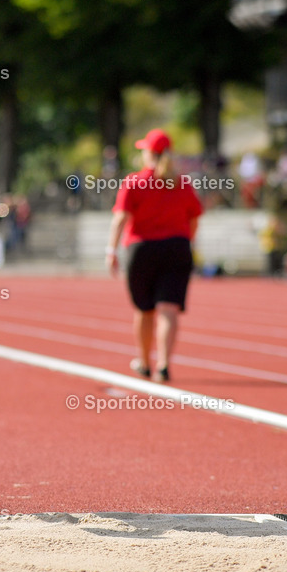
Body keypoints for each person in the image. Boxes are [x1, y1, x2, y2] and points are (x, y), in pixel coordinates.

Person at [106, 129, 203, 384]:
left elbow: (120, 219)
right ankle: (164, 364)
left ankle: (144, 361)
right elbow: (194, 218)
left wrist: (111, 250)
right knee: (168, 309)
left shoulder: (135, 181)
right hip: (177, 248)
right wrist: (186, 242)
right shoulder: (181, 183)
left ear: (149, 153)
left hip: (143, 250)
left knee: (144, 308)